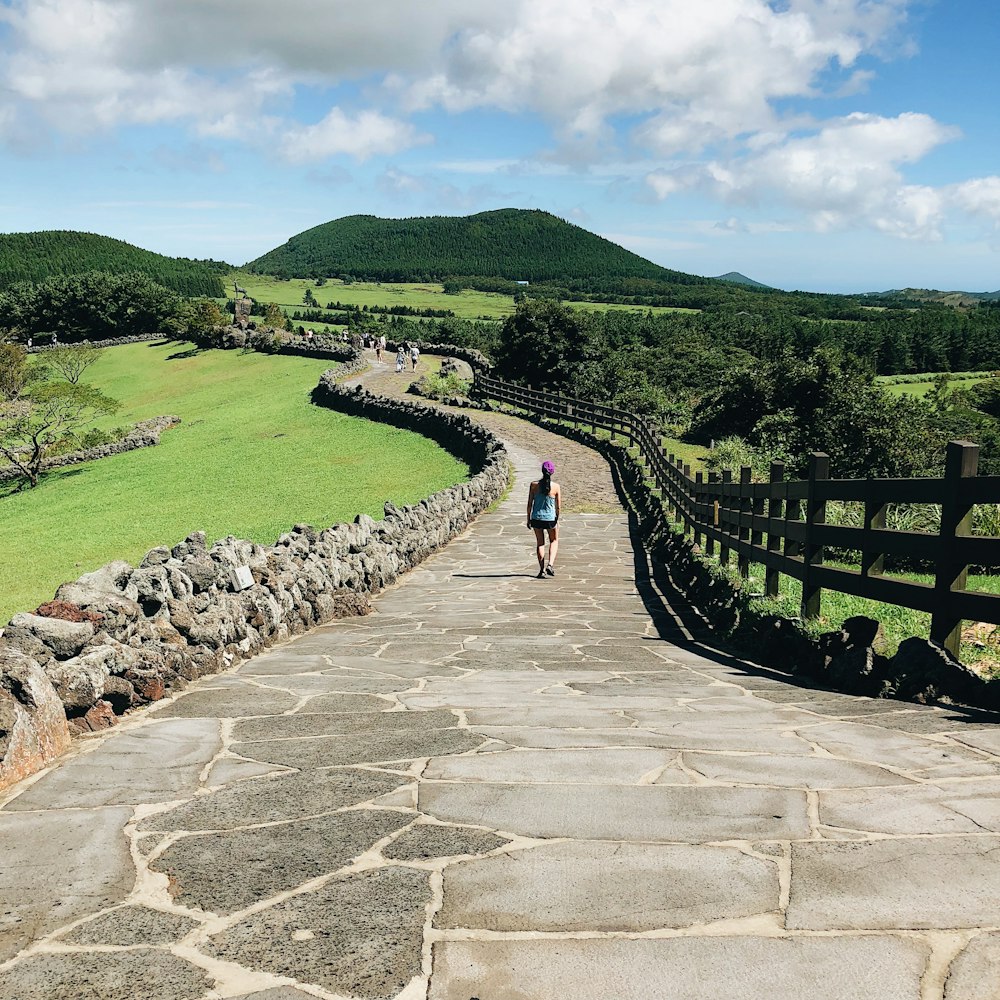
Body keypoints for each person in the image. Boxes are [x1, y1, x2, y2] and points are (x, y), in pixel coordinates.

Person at [527, 460, 561, 578]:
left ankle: (541, 570)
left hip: (536, 518)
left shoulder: (534, 485)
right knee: (554, 540)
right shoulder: (556, 487)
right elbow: (558, 506)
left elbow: (530, 504)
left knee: (540, 543)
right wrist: (557, 518)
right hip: (550, 518)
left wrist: (528, 519)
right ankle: (550, 565)